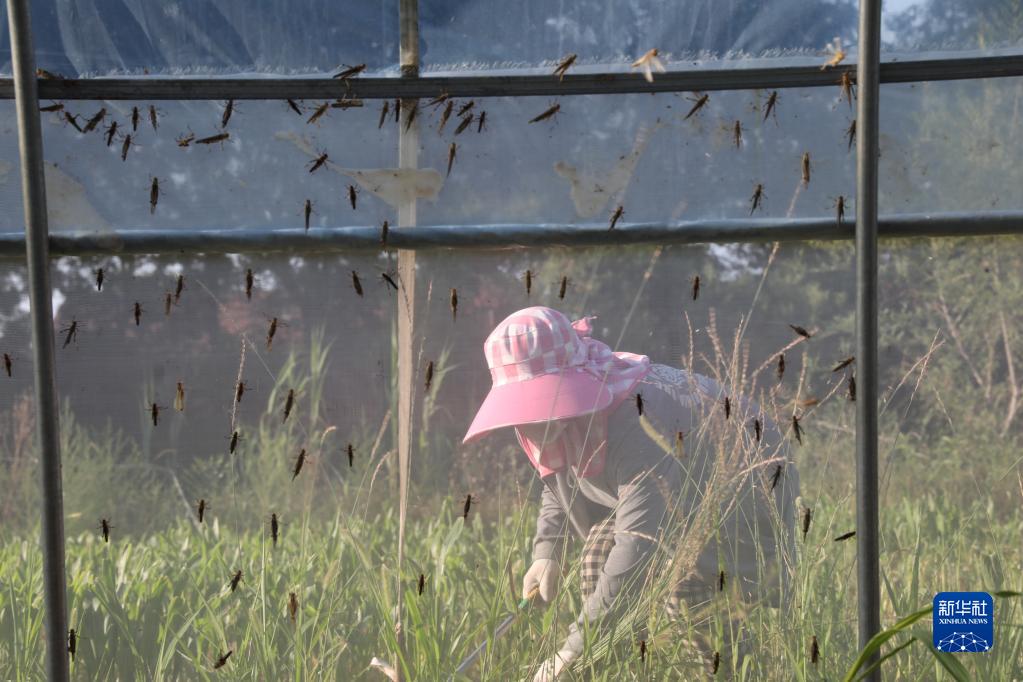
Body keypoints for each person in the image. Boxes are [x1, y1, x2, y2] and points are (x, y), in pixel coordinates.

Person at [462, 306, 800, 680]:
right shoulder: (555, 420)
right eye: (525, 407)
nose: (533, 421)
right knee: (596, 559)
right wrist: (548, 551)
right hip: (670, 498)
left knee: (686, 589)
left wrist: (571, 651)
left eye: (542, 402)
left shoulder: (637, 418)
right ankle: (617, 668)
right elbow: (559, 478)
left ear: (573, 382)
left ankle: (735, 674)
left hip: (744, 490)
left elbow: (639, 545)